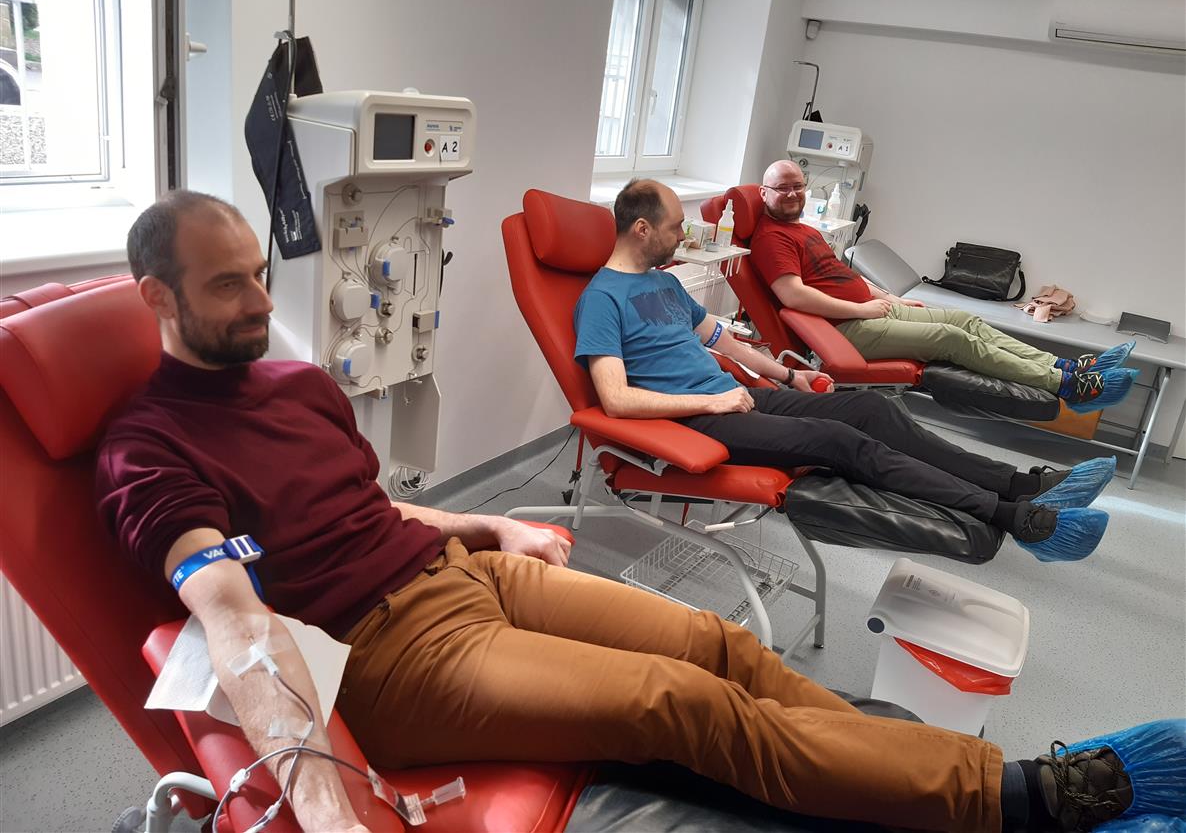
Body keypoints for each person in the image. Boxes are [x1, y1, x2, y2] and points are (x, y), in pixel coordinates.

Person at [96, 190, 1184, 833]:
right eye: (228, 285)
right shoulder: (146, 448)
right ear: (158, 297)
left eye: (258, 273)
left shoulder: (297, 386)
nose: (260, 300)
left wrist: (487, 528)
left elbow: (373, 511)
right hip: (386, 657)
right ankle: (1031, 798)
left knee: (720, 644)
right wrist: (323, 810)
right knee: (679, 702)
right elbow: (233, 616)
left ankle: (902, 773)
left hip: (467, 576)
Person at [575, 179, 1114, 563]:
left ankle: (1021, 484)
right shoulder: (602, 299)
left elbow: (719, 338)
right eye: (674, 228)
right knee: (840, 442)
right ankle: (1009, 515)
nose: (682, 235)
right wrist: (712, 401)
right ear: (642, 229)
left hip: (737, 397)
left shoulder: (665, 283)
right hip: (698, 420)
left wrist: (787, 376)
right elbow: (616, 399)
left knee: (870, 408)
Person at [750, 160, 1136, 413]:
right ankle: (1066, 385)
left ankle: (1062, 364)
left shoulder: (803, 229)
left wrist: (888, 297)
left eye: (798, 186)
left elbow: (841, 274)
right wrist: (862, 309)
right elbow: (793, 295)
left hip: (870, 310)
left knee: (965, 320)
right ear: (764, 193)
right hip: (845, 328)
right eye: (782, 188)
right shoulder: (772, 238)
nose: (792, 194)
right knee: (951, 338)